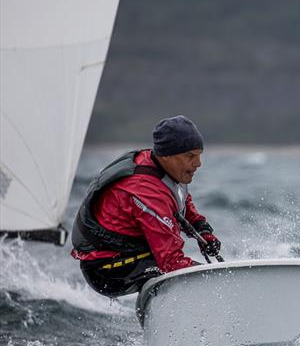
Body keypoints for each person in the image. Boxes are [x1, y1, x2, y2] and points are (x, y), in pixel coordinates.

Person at [70, 115, 221, 297]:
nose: (198, 163)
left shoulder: (163, 166)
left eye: (199, 155)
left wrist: (202, 230)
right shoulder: (147, 192)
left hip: (129, 253)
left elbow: (180, 198)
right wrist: (218, 281)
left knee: (173, 267)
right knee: (171, 271)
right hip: (106, 270)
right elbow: (171, 262)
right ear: (167, 156)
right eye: (190, 156)